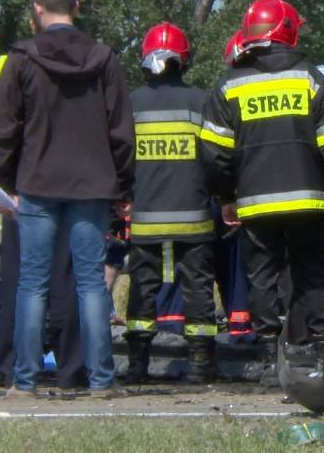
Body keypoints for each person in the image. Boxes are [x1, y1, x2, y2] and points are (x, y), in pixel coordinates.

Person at [0, 0, 134, 398]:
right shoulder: (104, 58)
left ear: (37, 9)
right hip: (92, 185)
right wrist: (124, 186)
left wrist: (3, 179)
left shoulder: (22, 58)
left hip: (36, 181)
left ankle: (25, 380)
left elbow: (4, 128)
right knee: (90, 281)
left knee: (32, 282)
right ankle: (103, 380)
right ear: (77, 6)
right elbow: (121, 131)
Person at [200, 0, 324, 386]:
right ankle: (321, 351)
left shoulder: (230, 84)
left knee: (262, 276)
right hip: (308, 199)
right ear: (288, 30)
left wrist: (226, 197)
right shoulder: (310, 78)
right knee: (314, 274)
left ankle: (270, 355)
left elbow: (215, 152)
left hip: (254, 203)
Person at [0, 54, 86, 390]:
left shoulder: (10, 63)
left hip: (26, 187)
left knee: (22, 282)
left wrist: (1, 187)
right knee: (68, 281)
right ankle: (72, 368)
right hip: (74, 184)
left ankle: (15, 368)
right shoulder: (89, 57)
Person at [123, 22, 218, 384]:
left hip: (145, 218)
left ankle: (136, 366)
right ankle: (200, 366)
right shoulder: (201, 101)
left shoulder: (131, 103)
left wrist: (121, 200)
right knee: (198, 291)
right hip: (194, 218)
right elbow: (216, 157)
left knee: (141, 292)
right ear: (185, 59)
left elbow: (121, 158)